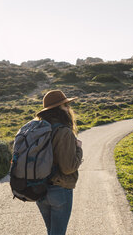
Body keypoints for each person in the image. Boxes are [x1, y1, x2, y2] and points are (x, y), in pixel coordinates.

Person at [35, 90, 83, 235]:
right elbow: (68, 168)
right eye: (66, 105)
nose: (69, 109)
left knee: (52, 232)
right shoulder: (64, 132)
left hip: (39, 189)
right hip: (59, 189)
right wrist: (79, 149)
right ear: (59, 109)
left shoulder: (38, 128)